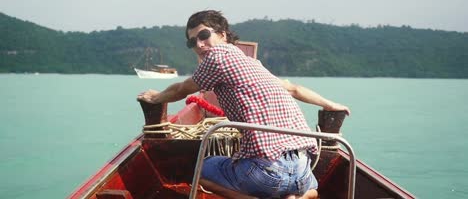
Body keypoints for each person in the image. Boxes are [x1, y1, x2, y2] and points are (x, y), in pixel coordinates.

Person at [137, 10, 350, 199]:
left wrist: (156, 97)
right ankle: (298, 196)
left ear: (222, 35)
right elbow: (293, 88)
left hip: (267, 174)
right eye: (192, 42)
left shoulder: (218, 57)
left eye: (204, 35)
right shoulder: (253, 63)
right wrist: (329, 104)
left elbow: (182, 89)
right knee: (312, 189)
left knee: (201, 168)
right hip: (302, 169)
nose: (199, 44)